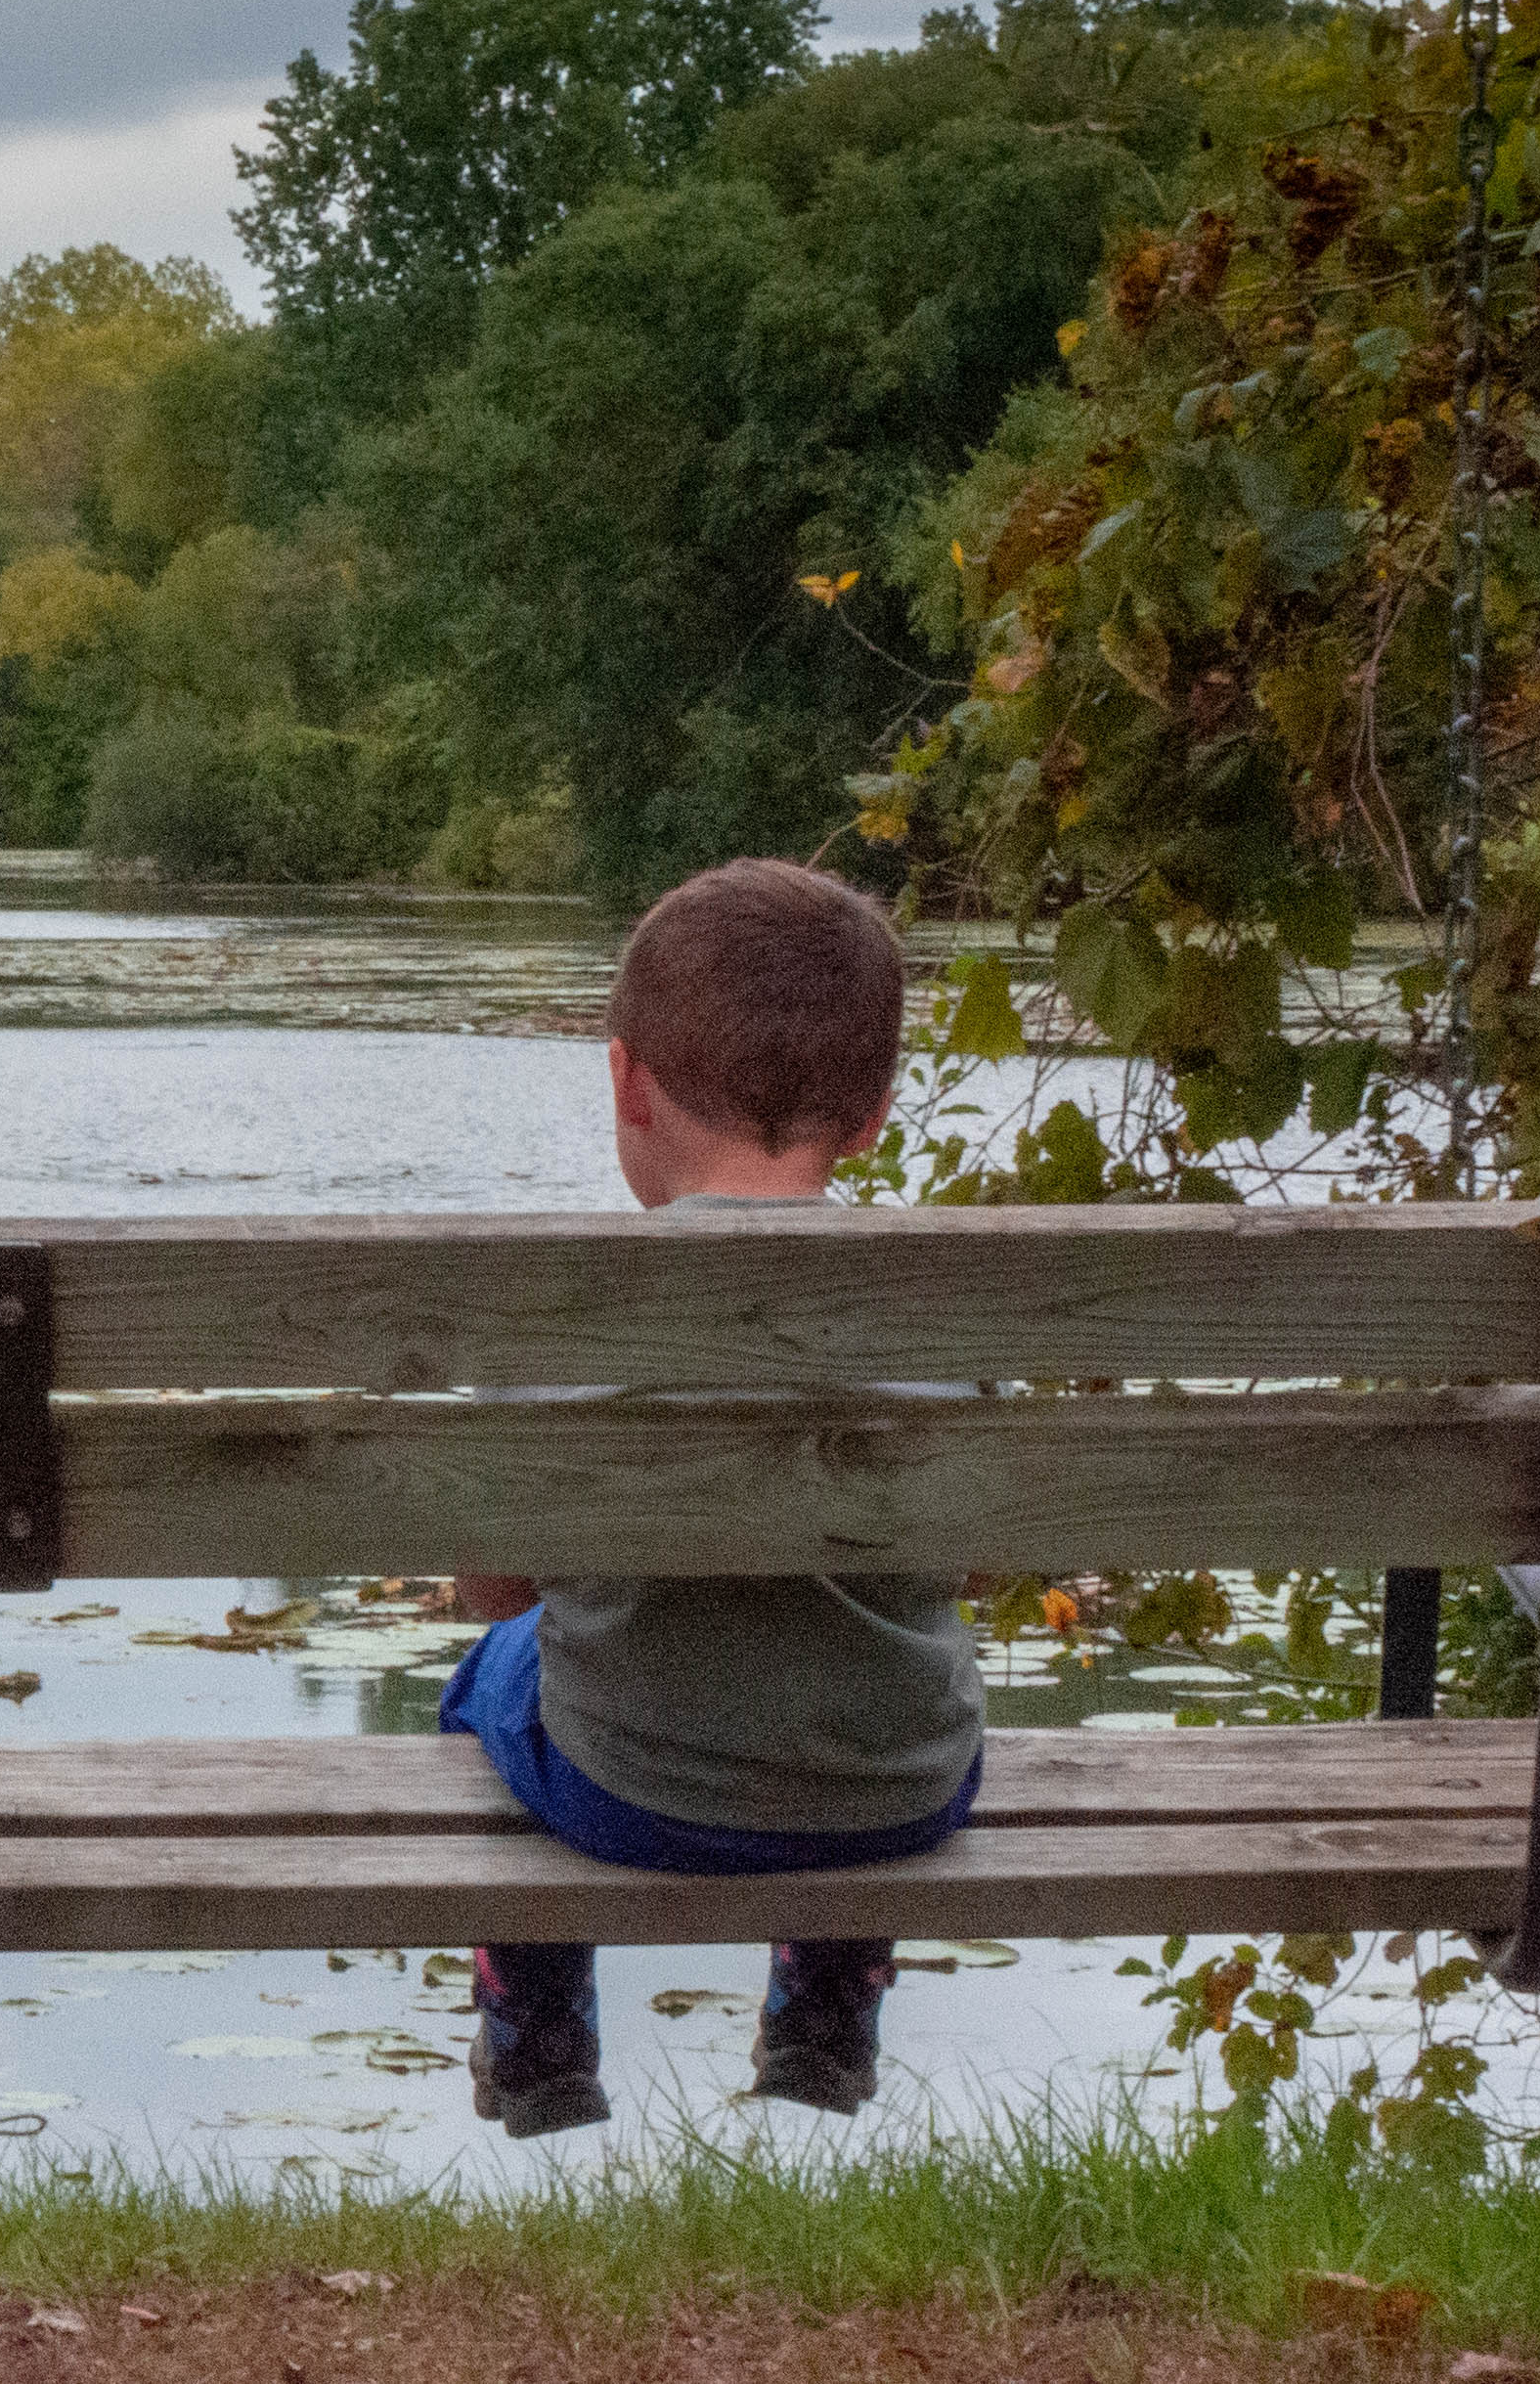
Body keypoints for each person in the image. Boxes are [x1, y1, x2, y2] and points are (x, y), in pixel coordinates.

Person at [435, 856, 980, 2140]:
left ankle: (538, 2026)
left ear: (626, 1081)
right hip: (902, 1790)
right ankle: (828, 2002)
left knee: (485, 1676)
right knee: (869, 1655)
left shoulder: (562, 1311)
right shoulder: (955, 1302)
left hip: (626, 1794)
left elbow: (492, 1591)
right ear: (873, 1113)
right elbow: (969, 1559)